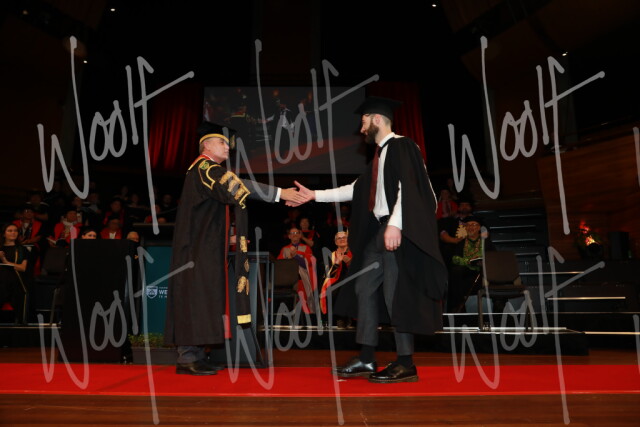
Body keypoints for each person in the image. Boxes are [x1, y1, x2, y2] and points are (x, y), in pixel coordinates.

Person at [293, 96, 447, 383]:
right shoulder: (378, 157)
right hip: (377, 233)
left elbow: (410, 188)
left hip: (393, 231)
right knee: (363, 288)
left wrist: (396, 225)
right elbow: (355, 189)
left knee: (394, 294)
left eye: (364, 122)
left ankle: (406, 363)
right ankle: (366, 357)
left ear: (377, 119)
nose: (361, 128)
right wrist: (314, 195)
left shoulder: (403, 146)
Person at [164, 121, 305, 376]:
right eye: (222, 142)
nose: (228, 147)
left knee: (202, 297)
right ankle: (187, 357)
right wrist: (279, 193)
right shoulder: (205, 168)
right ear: (206, 145)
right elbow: (237, 185)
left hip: (202, 246)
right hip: (195, 249)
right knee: (195, 298)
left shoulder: (204, 171)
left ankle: (196, 354)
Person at [446, 215, 494, 313]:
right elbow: (455, 258)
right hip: (466, 270)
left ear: (479, 228)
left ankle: (497, 302)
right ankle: (458, 304)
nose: (471, 227)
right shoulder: (461, 243)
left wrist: (481, 261)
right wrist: (468, 261)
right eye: (468, 225)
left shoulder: (486, 242)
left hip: (482, 271)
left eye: (474, 225)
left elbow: (493, 257)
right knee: (455, 271)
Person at [277, 226, 317, 314]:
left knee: (302, 286)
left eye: (296, 233)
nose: (294, 235)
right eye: (292, 233)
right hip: (286, 279)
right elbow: (279, 266)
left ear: (300, 235)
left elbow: (307, 265)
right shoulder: (284, 249)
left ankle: (305, 314)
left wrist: (296, 256)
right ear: (289, 236)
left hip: (301, 278)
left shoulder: (306, 248)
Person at [319, 230, 353, 328]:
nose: (342, 239)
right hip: (336, 281)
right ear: (335, 242)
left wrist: (349, 263)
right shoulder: (331, 256)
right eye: (339, 238)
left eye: (344, 237)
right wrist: (336, 264)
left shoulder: (354, 253)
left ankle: (346, 318)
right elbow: (328, 275)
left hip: (352, 280)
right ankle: (335, 319)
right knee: (330, 290)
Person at [0, 223, 29, 324]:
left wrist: (5, 261)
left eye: (15, 231)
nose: (13, 233)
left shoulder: (21, 249)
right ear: (4, 234)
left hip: (16, 280)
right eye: (10, 231)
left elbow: (22, 268)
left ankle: (20, 321)